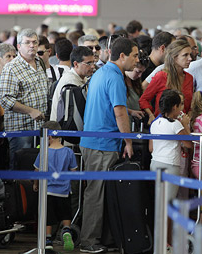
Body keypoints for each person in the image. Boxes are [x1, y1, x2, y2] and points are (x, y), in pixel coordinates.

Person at [79, 37, 137, 253]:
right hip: (102, 143)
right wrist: (128, 141)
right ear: (122, 56)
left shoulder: (101, 73)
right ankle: (89, 240)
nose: (137, 60)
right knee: (96, 194)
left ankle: (97, 238)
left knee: (98, 192)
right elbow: (119, 111)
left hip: (95, 140)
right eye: (135, 55)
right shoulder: (114, 77)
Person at [149, 89, 193, 251]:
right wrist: (186, 124)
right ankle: (165, 242)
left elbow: (151, 148)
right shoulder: (175, 125)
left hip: (155, 165)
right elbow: (189, 144)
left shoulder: (155, 123)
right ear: (174, 107)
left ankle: (163, 241)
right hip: (170, 167)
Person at [0, 29, 49, 169]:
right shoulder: (11, 68)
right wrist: (30, 111)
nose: (32, 46)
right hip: (21, 128)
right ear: (19, 46)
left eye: (35, 42)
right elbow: (5, 99)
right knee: (20, 168)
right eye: (27, 42)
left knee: (37, 166)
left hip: (39, 126)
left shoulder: (40, 63)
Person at [33, 121, 78, 251]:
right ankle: (67, 231)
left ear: (49, 136)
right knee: (65, 215)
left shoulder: (44, 152)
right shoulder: (68, 152)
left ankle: (47, 239)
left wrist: (36, 184)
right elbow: (74, 172)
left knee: (48, 217)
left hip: (48, 191)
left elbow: (37, 170)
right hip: (64, 191)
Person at [140, 40, 194, 123]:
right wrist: (151, 115)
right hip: (164, 125)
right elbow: (143, 99)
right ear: (174, 57)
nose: (190, 58)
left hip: (183, 126)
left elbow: (189, 105)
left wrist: (189, 119)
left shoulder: (189, 78)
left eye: (190, 54)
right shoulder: (161, 76)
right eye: (185, 55)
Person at [49, 46, 95, 122]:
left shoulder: (83, 77)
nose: (93, 66)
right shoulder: (70, 83)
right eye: (89, 63)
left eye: (93, 62)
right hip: (63, 129)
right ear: (76, 64)